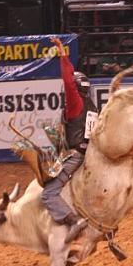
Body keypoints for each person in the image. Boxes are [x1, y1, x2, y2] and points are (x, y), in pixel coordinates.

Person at [41, 36, 98, 243]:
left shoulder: (76, 104)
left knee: (48, 194)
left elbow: (67, 81)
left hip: (74, 157)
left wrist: (62, 54)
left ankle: (73, 221)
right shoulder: (92, 106)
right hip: (88, 154)